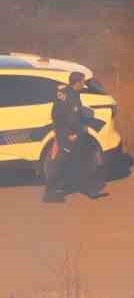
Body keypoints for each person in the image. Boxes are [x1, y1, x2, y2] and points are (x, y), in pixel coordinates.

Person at [43, 72, 99, 203]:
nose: (83, 85)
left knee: (77, 158)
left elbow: (55, 113)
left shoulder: (62, 92)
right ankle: (50, 193)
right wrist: (77, 131)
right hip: (69, 134)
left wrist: (59, 130)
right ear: (77, 83)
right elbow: (72, 118)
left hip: (61, 131)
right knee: (60, 161)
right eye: (82, 82)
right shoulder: (73, 96)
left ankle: (85, 188)